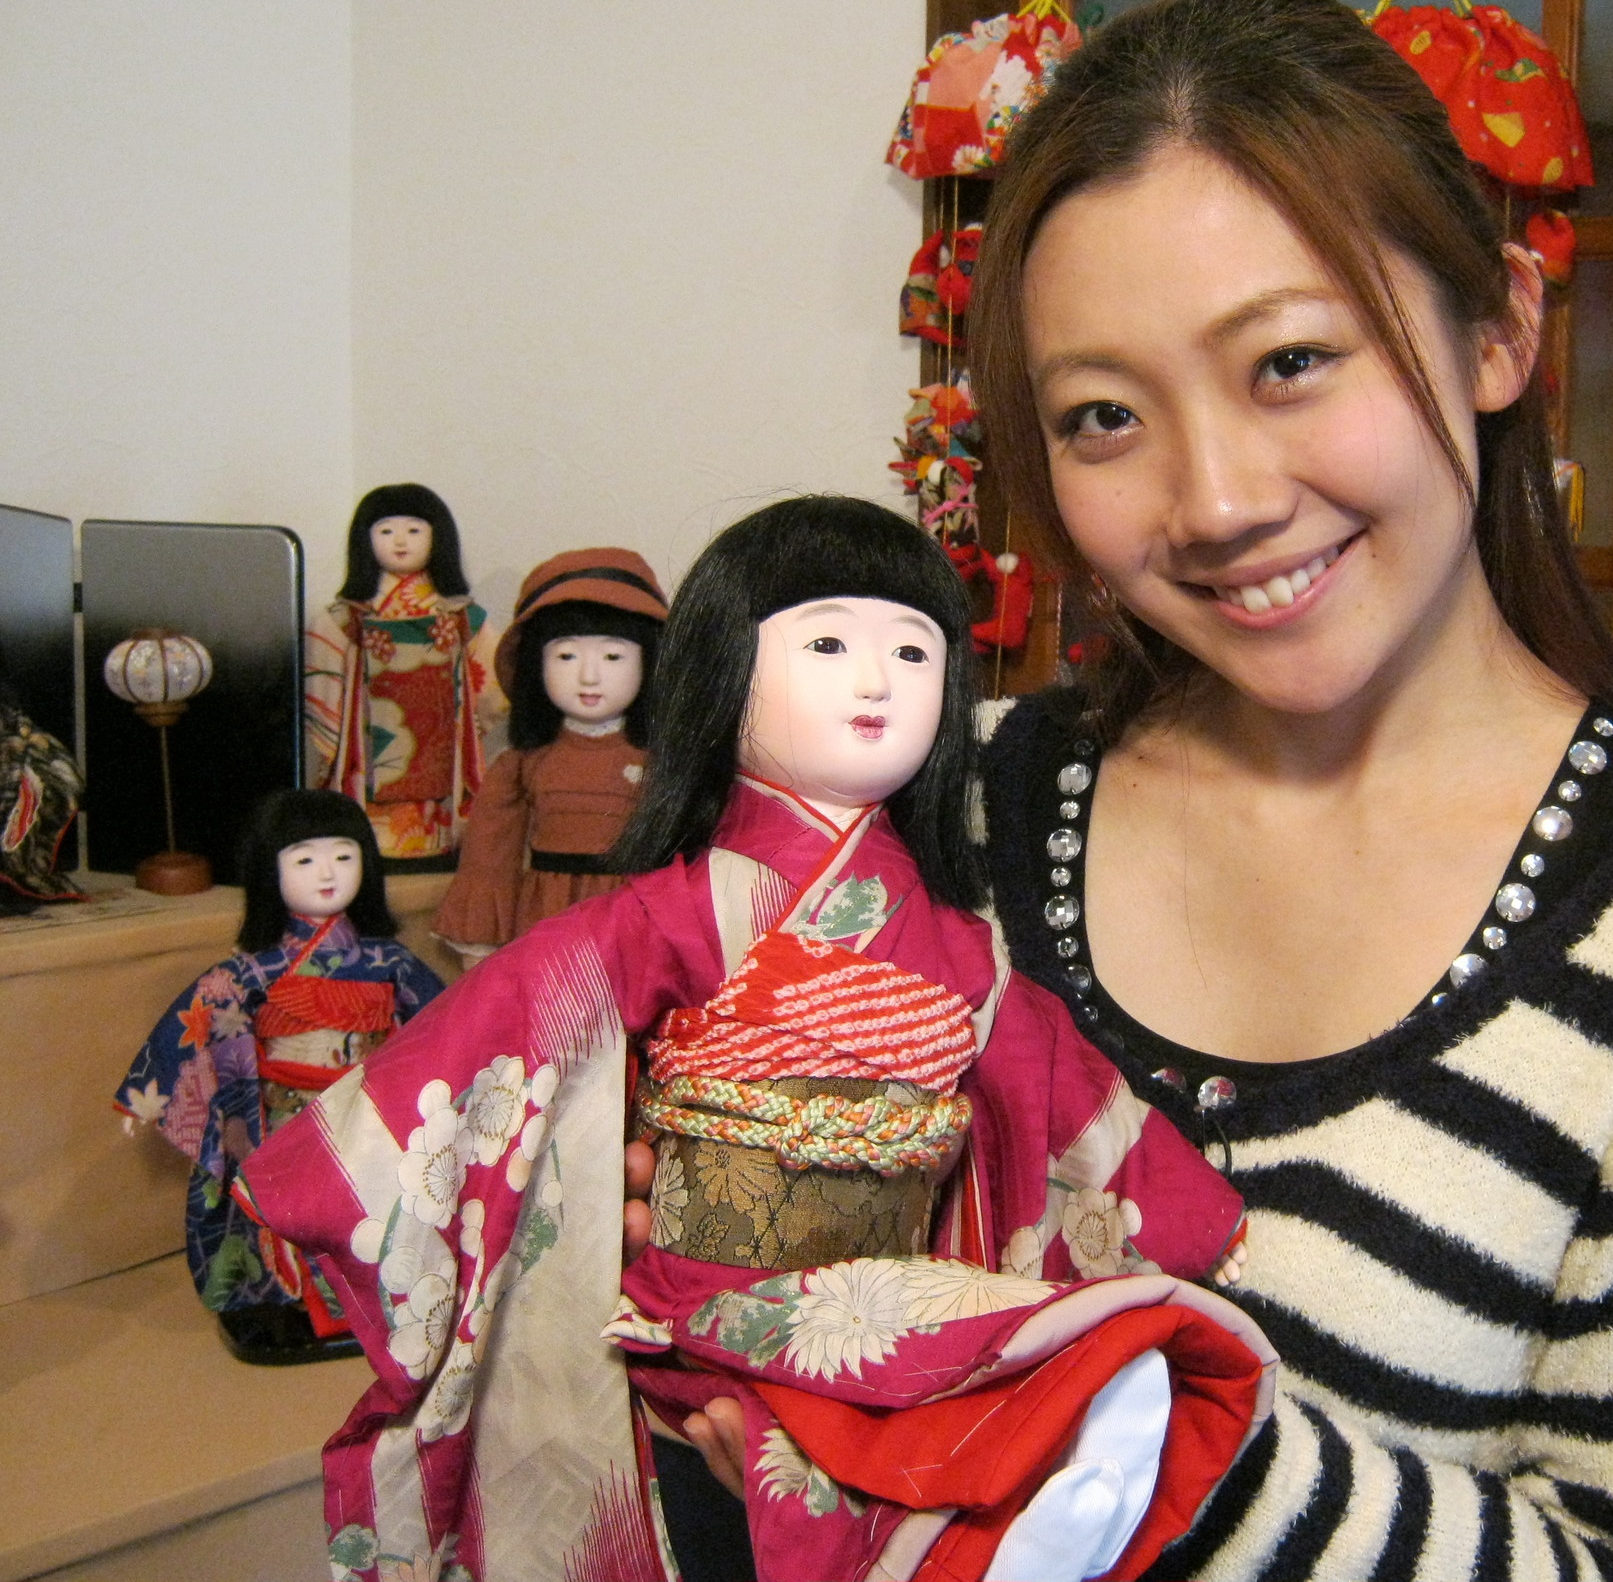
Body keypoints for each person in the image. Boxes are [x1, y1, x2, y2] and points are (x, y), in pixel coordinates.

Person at [945, 0, 1613, 1582]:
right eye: (1102, 415)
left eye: (1290, 361)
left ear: (1498, 329)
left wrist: (1139, 1430)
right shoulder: (951, 811)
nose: (1215, 500)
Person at [240, 498, 1270, 1582]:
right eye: (827, 645)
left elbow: (1046, 1075)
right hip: (700, 1302)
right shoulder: (676, 911)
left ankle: (1018, 1513)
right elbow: (515, 1009)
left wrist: (1182, 1206)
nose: (876, 682)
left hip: (889, 1289)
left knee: (999, 1356)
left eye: (912, 652)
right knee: (823, 1440)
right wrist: (329, 1165)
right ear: (721, 674)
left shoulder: (956, 941)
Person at [114, 789, 442, 1362]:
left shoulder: (386, 961)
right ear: (271, 872)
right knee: (290, 1209)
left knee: (374, 1206)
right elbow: (196, 1019)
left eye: (344, 856)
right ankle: (288, 1296)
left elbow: (443, 1021)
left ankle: (374, 1297)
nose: (327, 873)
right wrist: (148, 1096)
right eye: (305, 859)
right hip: (286, 1115)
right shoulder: (254, 969)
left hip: (368, 1113)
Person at [432, 547, 667, 957]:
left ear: (650, 662)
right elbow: (490, 856)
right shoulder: (520, 765)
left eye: (613, 656)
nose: (589, 676)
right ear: (535, 664)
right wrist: (481, 942)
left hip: (636, 922)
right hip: (546, 920)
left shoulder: (664, 763)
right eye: (566, 655)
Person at [303, 483, 496, 864]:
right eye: (386, 530)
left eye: (414, 529)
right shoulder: (345, 616)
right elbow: (323, 674)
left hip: (440, 738)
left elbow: (489, 677)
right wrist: (332, 737)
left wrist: (471, 723)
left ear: (437, 537)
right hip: (367, 737)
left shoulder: (460, 615)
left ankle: (438, 837)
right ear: (365, 539)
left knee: (441, 783)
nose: (400, 541)